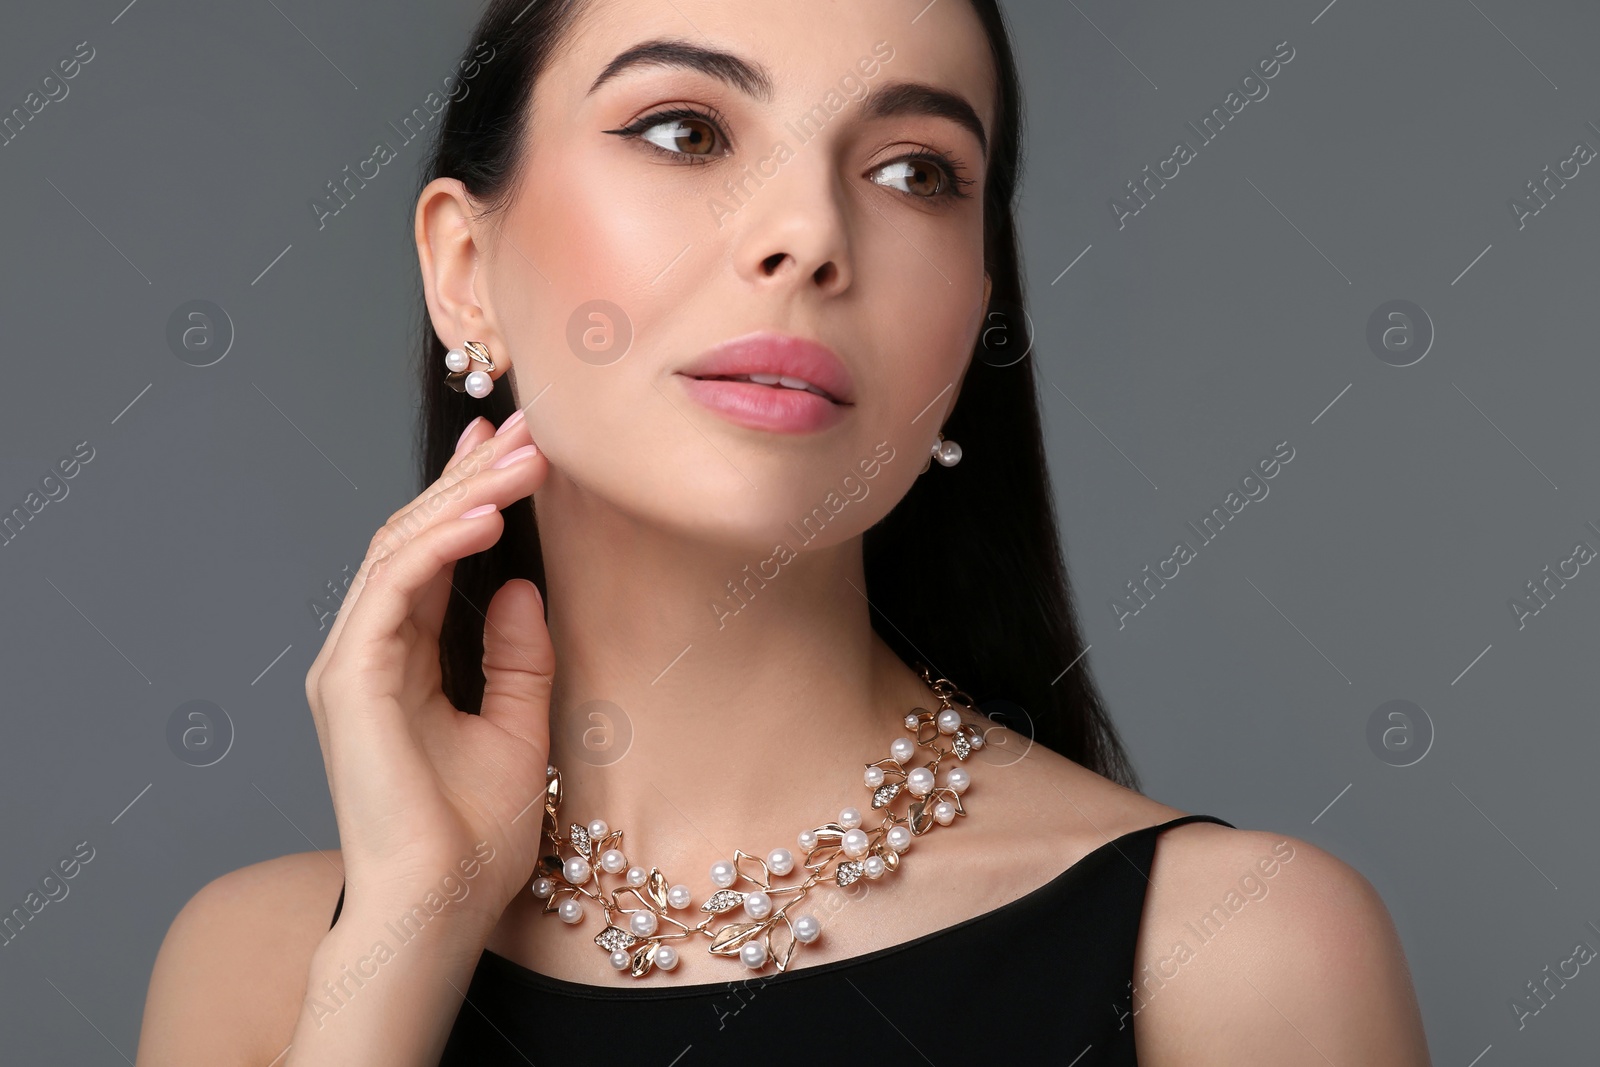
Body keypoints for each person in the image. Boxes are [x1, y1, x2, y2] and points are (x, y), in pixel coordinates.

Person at [136, 1, 1432, 1063]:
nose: (810, 235)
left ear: (974, 306)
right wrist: (400, 948)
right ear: (463, 269)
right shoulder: (260, 972)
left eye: (915, 171)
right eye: (687, 128)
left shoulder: (1238, 957)